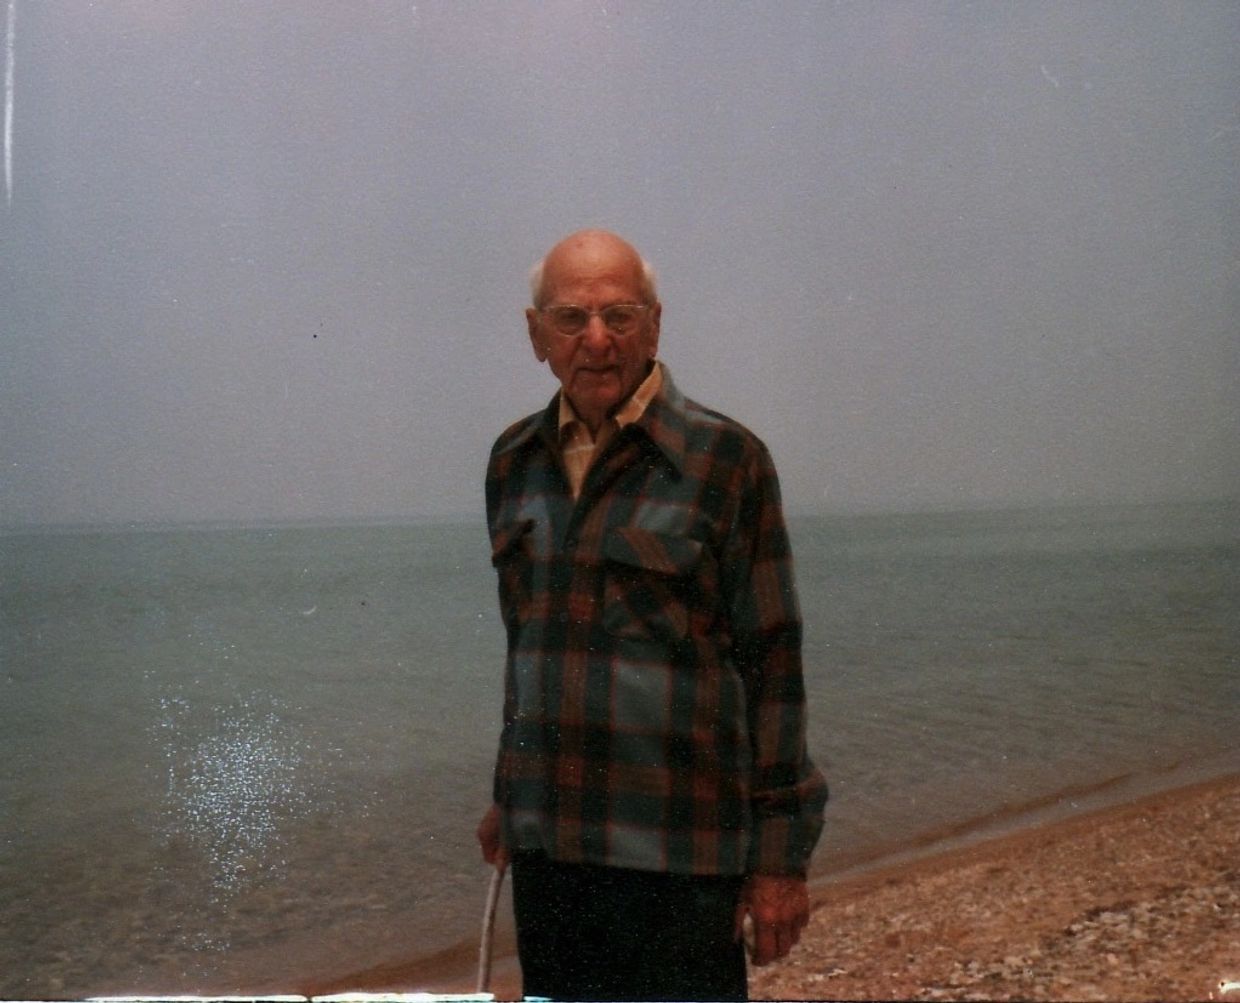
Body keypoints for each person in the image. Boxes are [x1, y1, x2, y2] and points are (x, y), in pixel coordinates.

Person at [476, 229, 827, 1001]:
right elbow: (528, 649)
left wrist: (779, 858)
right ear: (537, 335)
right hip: (551, 861)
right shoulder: (512, 463)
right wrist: (510, 791)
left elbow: (775, 667)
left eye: (620, 314)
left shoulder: (726, 461)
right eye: (571, 318)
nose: (596, 339)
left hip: (680, 863)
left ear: (656, 324)